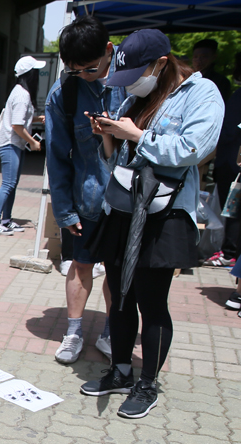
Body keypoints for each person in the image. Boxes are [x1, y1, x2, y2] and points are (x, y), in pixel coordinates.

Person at [82, 29, 223, 418]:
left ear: (161, 64)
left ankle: (147, 384)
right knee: (119, 294)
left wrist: (138, 134)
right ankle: (121, 370)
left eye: (136, 75)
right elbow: (122, 160)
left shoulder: (202, 93)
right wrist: (110, 137)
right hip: (124, 208)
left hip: (165, 213)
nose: (131, 85)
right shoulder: (138, 96)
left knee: (151, 301)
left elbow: (192, 150)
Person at [45, 15, 125, 364]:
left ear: (109, 50)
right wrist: (64, 210)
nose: (83, 75)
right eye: (75, 70)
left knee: (119, 271)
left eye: (90, 68)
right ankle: (74, 331)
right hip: (87, 198)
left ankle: (113, 330)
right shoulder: (64, 93)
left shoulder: (133, 81)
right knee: (81, 264)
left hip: (129, 200)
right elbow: (57, 157)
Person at [0, 56, 44, 234]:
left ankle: (6, 220)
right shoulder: (22, 95)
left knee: (12, 184)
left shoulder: (20, 92)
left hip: (14, 143)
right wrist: (33, 142)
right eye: (36, 71)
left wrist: (37, 119)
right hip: (10, 143)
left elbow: (20, 119)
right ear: (30, 74)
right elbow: (17, 126)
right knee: (8, 184)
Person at [207, 54, 241, 269]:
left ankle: (230, 252)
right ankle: (230, 251)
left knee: (234, 210)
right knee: (232, 210)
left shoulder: (238, 96)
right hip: (229, 160)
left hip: (232, 162)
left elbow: (230, 129)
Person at [192, 38, 232, 104]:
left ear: (213, 57)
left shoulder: (221, 81)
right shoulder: (187, 78)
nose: (199, 60)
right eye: (195, 57)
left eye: (204, 56)